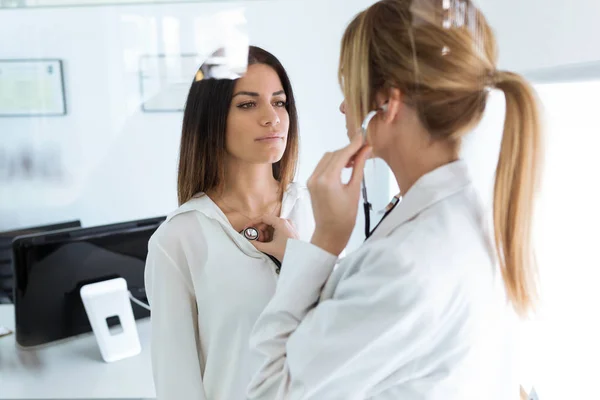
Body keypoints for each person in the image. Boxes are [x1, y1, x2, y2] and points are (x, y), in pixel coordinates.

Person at [246, 0, 543, 399]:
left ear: (387, 103)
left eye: (348, 86)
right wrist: (309, 259)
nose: (342, 106)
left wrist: (325, 244)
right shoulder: (472, 211)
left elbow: (268, 391)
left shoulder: (408, 261)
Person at [144, 46, 315, 400]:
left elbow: (352, 334)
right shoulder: (179, 238)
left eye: (279, 102)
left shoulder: (319, 209)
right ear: (211, 117)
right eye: (248, 104)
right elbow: (177, 382)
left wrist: (297, 257)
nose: (272, 118)